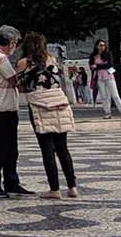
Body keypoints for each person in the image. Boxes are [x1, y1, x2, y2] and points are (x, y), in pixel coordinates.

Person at [14, 33, 79, 200]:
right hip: (59, 103)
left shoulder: (23, 63)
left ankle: (54, 189)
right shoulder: (52, 59)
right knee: (63, 148)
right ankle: (72, 187)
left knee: (47, 150)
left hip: (38, 105)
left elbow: (20, 86)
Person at [0, 25, 32, 199]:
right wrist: (28, 68)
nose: (15, 46)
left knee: (11, 148)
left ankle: (11, 182)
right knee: (1, 147)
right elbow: (14, 80)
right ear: (10, 43)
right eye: (15, 43)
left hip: (6, 107)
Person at [90, 41, 121, 124]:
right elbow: (91, 65)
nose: (102, 47)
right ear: (97, 46)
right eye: (100, 45)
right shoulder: (94, 55)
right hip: (99, 77)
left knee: (115, 95)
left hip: (108, 75)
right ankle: (107, 112)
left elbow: (110, 65)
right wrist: (98, 66)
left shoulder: (108, 54)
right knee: (104, 96)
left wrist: (97, 66)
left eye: (104, 45)